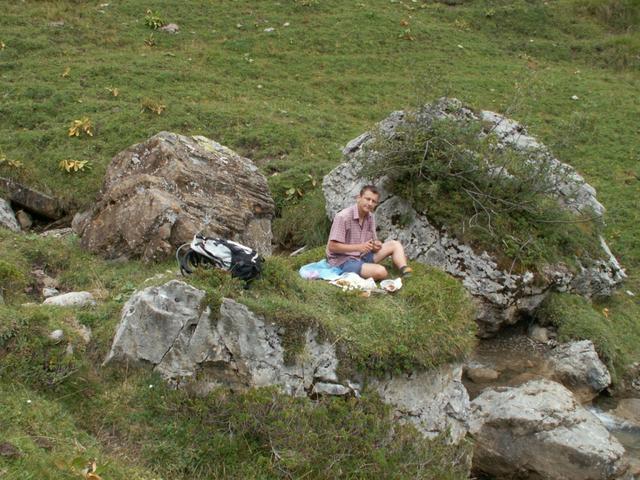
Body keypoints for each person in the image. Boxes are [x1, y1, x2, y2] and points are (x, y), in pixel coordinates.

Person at [326, 185, 412, 280]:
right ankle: (366, 269)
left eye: (374, 201)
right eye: (368, 199)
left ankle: (404, 269)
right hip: (343, 261)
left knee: (395, 244)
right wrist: (359, 247)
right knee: (381, 272)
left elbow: (372, 243)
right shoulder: (343, 217)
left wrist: (375, 245)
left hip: (363, 256)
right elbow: (332, 247)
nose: (370, 203)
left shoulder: (370, 217)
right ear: (359, 198)